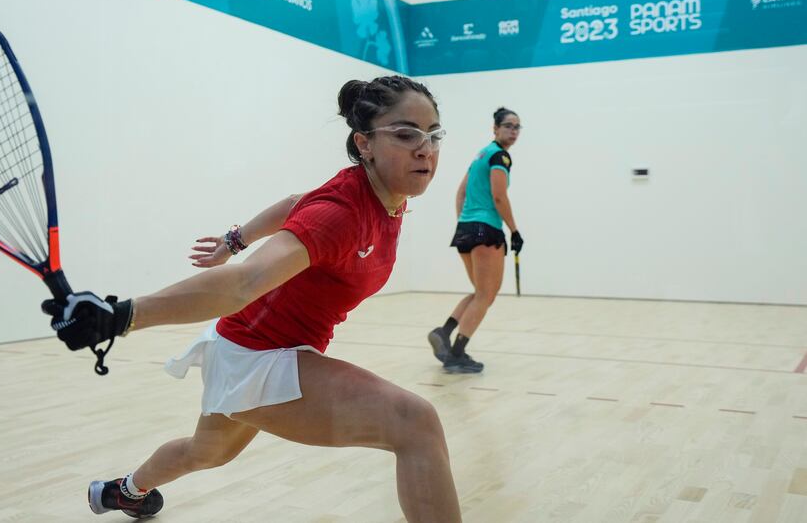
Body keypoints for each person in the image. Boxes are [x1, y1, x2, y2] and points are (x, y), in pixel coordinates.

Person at [44, 75, 462, 522]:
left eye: (433, 135)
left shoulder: (383, 197)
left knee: (205, 452)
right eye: (405, 134)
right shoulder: (341, 214)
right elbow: (244, 283)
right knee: (415, 424)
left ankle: (126, 491)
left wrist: (233, 238)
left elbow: (294, 202)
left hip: (247, 347)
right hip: (258, 357)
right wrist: (121, 316)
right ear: (365, 144)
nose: (425, 148)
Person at [427, 107, 522, 374]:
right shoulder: (499, 157)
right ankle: (457, 353)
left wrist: (464, 224)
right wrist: (514, 231)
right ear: (495, 128)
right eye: (508, 126)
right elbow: (499, 196)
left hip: (466, 230)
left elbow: (460, 193)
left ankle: (443, 332)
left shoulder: (480, 155)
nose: (513, 131)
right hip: (487, 230)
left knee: (480, 292)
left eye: (517, 127)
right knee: (486, 295)